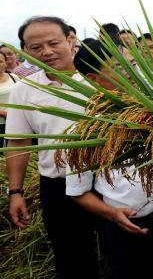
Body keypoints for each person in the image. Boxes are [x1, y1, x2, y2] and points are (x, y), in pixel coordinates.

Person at [67, 39, 153, 278]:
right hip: (128, 228)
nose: (131, 72)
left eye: (132, 63)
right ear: (93, 79)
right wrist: (111, 214)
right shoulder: (86, 131)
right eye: (119, 66)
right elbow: (78, 192)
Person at [6, 16, 100, 279]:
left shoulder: (97, 79)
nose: (46, 52)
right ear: (25, 51)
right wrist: (15, 192)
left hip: (106, 181)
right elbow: (18, 142)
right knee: (70, 258)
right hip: (57, 187)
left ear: (71, 41)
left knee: (119, 253)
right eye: (35, 47)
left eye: (53, 43)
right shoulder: (24, 90)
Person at [0, 51, 18, 146]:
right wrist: (4, 113)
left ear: (5, 63)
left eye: (0, 61)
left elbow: (22, 96)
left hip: (15, 122)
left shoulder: (14, 77)